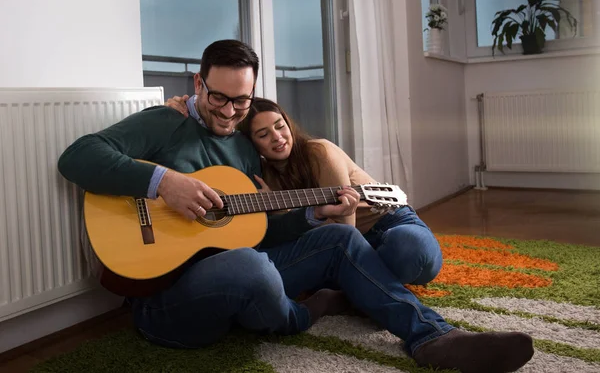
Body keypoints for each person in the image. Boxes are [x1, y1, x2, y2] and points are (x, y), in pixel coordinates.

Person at [58, 39, 534, 373]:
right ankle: (308, 312)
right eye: (217, 97)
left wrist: (313, 216)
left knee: (339, 237)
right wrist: (164, 183)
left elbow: (254, 231)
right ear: (197, 83)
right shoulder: (164, 123)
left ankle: (433, 337)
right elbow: (77, 156)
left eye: (240, 102)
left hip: (236, 267)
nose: (227, 112)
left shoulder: (246, 149)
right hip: (167, 301)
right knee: (251, 269)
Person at [166, 96, 442, 287]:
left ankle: (364, 282)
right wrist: (186, 109)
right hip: (341, 242)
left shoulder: (318, 152)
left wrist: (283, 211)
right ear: (251, 144)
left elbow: (347, 234)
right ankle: (367, 282)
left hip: (385, 223)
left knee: (410, 254)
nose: (277, 137)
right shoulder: (259, 175)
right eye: (263, 135)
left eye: (280, 126)